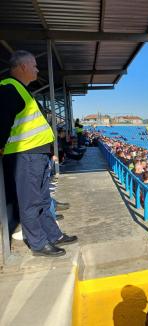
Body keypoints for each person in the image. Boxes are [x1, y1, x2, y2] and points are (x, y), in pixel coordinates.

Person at [0, 50, 77, 257]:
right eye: (33, 65)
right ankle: (37, 243)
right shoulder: (9, 89)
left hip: (37, 155)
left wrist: (49, 151)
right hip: (25, 156)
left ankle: (54, 235)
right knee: (31, 202)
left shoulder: (23, 90)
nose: (36, 69)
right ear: (22, 67)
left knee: (43, 200)